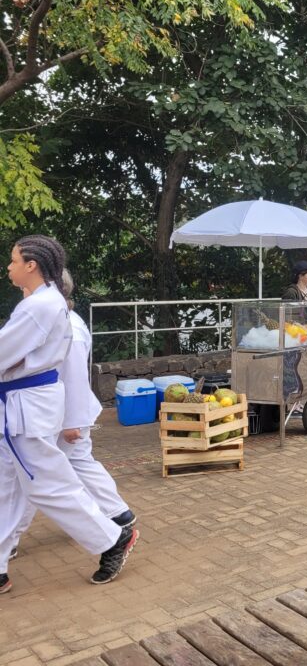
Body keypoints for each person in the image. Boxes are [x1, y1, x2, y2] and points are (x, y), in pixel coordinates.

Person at [0, 236, 138, 593]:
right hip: (24, 405)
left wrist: (75, 420)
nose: (9, 267)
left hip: (28, 407)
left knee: (47, 486)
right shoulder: (46, 303)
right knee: (9, 487)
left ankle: (110, 538)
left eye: (14, 261)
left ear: (32, 265)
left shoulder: (41, 307)